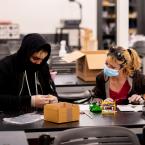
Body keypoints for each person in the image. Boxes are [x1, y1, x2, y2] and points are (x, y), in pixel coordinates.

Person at [0, 33, 58, 111]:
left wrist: (54, 98)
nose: (39, 63)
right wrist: (30, 101)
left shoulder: (43, 66)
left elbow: (50, 90)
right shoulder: (6, 66)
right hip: (9, 117)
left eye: (43, 59)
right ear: (26, 53)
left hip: (39, 117)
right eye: (35, 58)